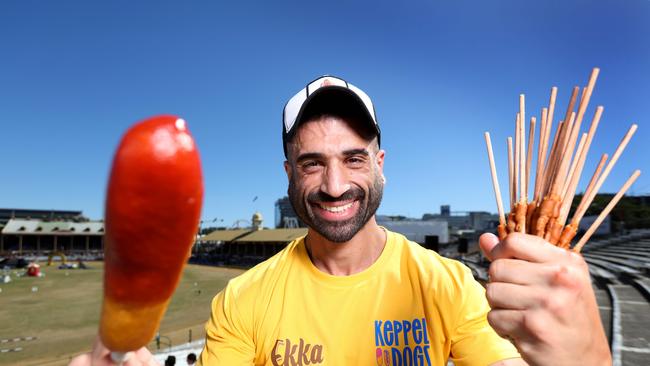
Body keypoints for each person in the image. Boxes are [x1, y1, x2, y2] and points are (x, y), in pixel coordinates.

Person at [70, 76, 611, 366]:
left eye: (353, 158)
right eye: (312, 163)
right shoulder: (243, 299)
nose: (334, 185)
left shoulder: (448, 284)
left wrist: (586, 357)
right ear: (288, 172)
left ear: (380, 162)